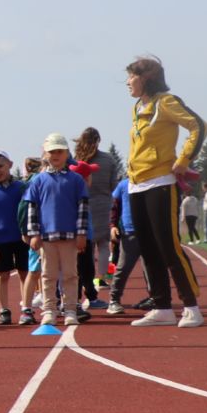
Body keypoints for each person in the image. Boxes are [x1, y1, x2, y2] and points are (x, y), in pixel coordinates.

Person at [124, 54, 207, 328]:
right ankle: (161, 306)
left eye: (131, 76)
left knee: (168, 247)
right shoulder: (138, 107)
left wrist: (183, 160)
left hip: (161, 183)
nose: (127, 82)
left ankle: (191, 306)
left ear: (146, 78)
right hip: (136, 184)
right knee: (147, 248)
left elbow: (198, 126)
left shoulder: (166, 103)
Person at [25, 132, 92, 329]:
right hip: (46, 237)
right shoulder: (38, 180)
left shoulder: (76, 180)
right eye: (52, 151)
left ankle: (70, 309)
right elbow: (32, 208)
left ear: (66, 153)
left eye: (60, 151)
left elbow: (83, 208)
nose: (56, 155)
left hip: (70, 236)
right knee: (48, 275)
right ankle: (49, 311)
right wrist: (34, 233)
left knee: (71, 274)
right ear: (45, 154)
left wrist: (81, 234)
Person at [0, 147, 32, 326]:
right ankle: (4, 310)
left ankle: (27, 308)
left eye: (0, 166)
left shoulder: (22, 187)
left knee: (26, 273)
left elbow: (29, 211)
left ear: (9, 165)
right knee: (2, 275)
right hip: (1, 241)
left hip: (23, 239)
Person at [73, 128, 122, 307]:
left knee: (84, 250)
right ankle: (99, 279)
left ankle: (82, 287)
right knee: (103, 245)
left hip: (81, 206)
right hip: (104, 204)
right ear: (98, 141)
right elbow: (114, 186)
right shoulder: (108, 159)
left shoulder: (75, 159)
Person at [105, 176, 144, 315]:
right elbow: (113, 206)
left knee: (152, 268)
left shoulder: (153, 183)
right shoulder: (123, 185)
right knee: (123, 267)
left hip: (150, 233)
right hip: (130, 232)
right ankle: (114, 300)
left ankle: (156, 298)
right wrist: (113, 225)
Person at [180, 176, 204, 244]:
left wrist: (183, 218)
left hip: (188, 216)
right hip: (194, 215)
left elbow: (183, 209)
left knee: (190, 228)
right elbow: (197, 207)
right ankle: (198, 239)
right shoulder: (195, 199)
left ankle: (191, 240)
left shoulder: (185, 200)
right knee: (193, 227)